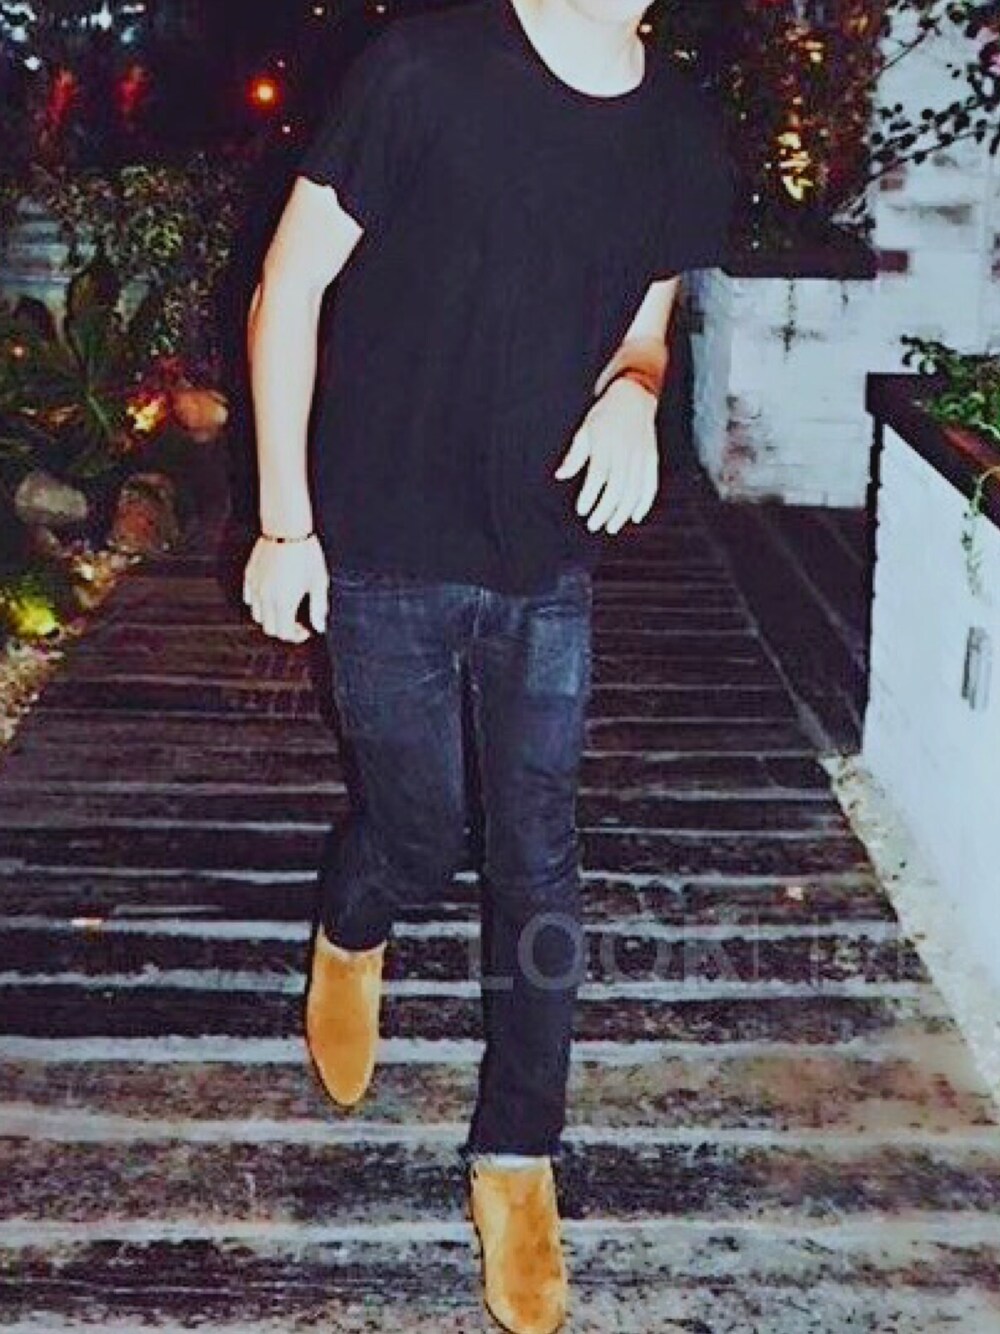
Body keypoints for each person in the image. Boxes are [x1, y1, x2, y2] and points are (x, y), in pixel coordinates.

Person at [243, 1, 734, 1330]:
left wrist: (636, 387)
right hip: (382, 538)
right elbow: (290, 287)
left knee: (537, 851)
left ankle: (518, 1156)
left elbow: (649, 317)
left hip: (547, 552)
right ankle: (356, 921)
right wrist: (284, 525)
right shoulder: (422, 69)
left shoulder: (681, 124)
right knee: (418, 830)